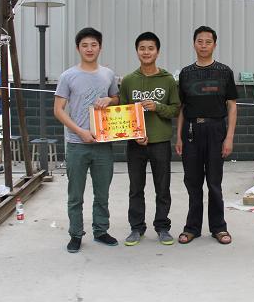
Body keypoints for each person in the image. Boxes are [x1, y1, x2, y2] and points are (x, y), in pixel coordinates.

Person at [53, 27, 120, 253]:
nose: (89, 49)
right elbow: (58, 110)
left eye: (93, 45)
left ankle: (101, 230)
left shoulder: (108, 74)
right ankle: (75, 234)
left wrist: (109, 100)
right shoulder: (68, 76)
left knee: (102, 193)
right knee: (75, 195)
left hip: (103, 144)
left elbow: (116, 98)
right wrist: (80, 131)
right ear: (78, 48)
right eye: (85, 45)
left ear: (100, 47)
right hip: (76, 144)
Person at [175, 26, 237, 245]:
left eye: (208, 42)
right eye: (199, 41)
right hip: (191, 131)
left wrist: (229, 137)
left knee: (214, 183)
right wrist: (179, 137)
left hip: (216, 130)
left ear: (214, 45)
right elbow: (182, 108)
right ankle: (192, 228)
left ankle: (219, 227)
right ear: (194, 44)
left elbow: (232, 106)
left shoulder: (224, 72)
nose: (203, 46)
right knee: (193, 182)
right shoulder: (186, 73)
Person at [119, 32, 180, 246]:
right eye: (142, 48)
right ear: (137, 51)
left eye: (150, 48)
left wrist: (158, 107)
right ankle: (136, 228)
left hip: (160, 142)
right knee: (136, 188)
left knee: (162, 188)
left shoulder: (168, 80)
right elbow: (123, 113)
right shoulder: (128, 80)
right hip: (135, 144)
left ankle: (163, 227)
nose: (146, 52)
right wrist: (135, 135)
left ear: (157, 51)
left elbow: (175, 110)